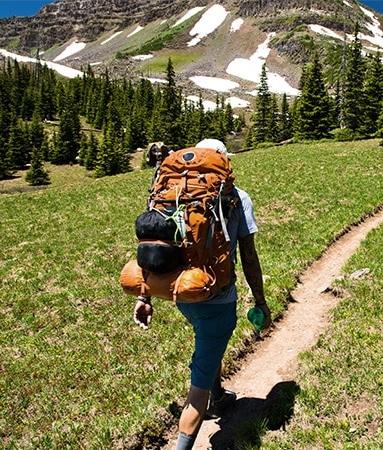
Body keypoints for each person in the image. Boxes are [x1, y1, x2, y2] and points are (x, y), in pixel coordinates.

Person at [132, 138, 271, 450]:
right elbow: (248, 256)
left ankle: (220, 395)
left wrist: (145, 296)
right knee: (198, 391)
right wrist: (260, 300)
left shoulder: (173, 193)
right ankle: (190, 433)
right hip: (217, 297)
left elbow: (153, 245)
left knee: (209, 346)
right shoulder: (237, 196)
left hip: (179, 291)